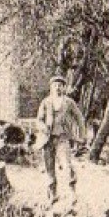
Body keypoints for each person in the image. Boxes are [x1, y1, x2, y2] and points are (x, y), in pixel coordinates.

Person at [35, 75, 84, 206]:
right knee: (49, 167)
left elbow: (79, 118)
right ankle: (53, 194)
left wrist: (82, 136)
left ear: (64, 87)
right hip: (47, 139)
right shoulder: (45, 102)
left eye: (60, 85)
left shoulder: (69, 103)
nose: (57, 88)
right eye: (55, 85)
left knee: (67, 165)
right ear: (51, 87)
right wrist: (43, 127)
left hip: (63, 138)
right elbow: (38, 120)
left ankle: (72, 193)